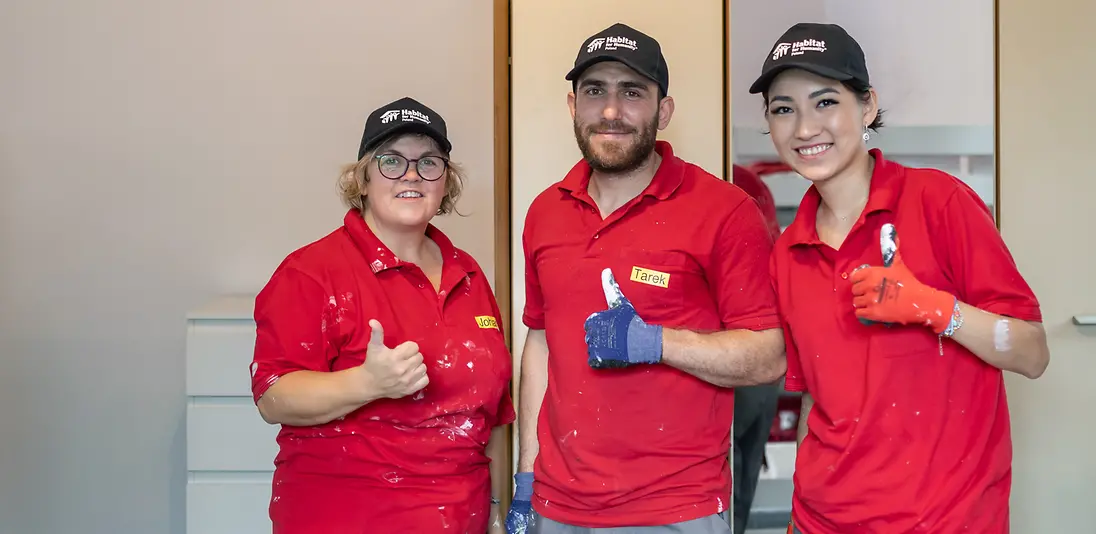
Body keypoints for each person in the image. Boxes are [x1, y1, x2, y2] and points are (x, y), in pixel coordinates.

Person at [750, 23, 1051, 534]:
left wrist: (934, 308)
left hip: (945, 520)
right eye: (784, 109)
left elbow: (1032, 352)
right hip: (821, 521)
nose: (804, 128)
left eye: (825, 102)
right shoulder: (787, 253)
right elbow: (813, 402)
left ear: (866, 106)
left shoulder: (940, 204)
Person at [506, 22, 787, 534]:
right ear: (573, 106)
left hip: (674, 509)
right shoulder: (545, 212)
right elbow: (542, 341)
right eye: (595, 91)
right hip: (555, 508)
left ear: (664, 110)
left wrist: (656, 342)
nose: (611, 111)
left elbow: (769, 355)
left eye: (631, 92)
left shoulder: (723, 211)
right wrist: (526, 479)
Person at [249, 97, 515, 534]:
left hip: (461, 516)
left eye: (429, 162)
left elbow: (495, 414)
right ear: (363, 179)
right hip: (347, 517)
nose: (412, 174)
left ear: (446, 183)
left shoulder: (468, 274)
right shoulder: (312, 273)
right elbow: (273, 397)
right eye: (392, 161)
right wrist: (366, 383)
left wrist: (498, 506)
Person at [728, 164, 782, 534]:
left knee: (732, 469)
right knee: (743, 471)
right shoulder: (750, 184)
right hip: (766, 357)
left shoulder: (740, 184)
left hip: (736, 354)